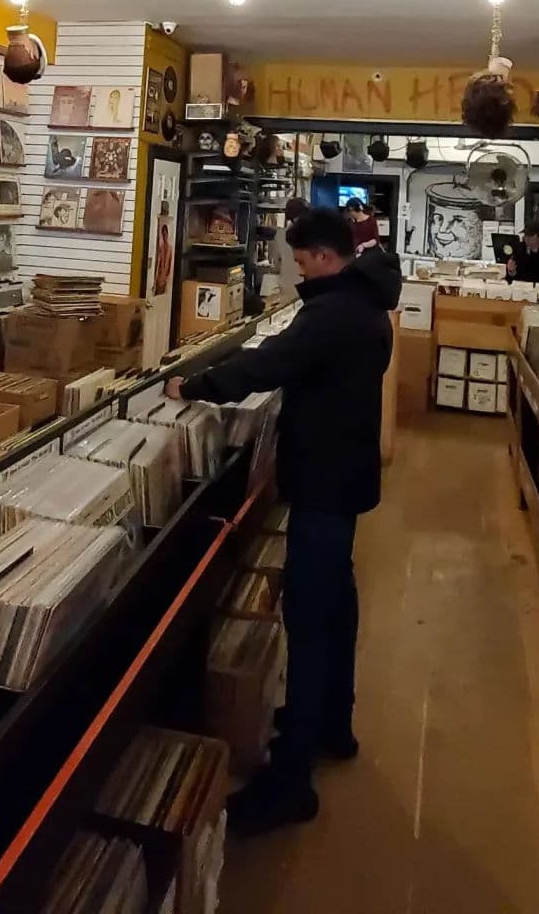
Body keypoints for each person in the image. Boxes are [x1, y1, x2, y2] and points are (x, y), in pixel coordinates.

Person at [165, 208, 399, 833]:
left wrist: (196, 386)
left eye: (300, 261)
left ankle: (291, 782)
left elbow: (268, 366)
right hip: (344, 482)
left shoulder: (335, 314)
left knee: (310, 619)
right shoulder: (367, 302)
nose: (297, 271)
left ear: (324, 255)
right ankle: (331, 726)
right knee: (336, 606)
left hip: (324, 485)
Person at [273, 196, 307, 299]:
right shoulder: (311, 235)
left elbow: (276, 264)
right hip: (307, 288)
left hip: (287, 287)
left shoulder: (279, 235)